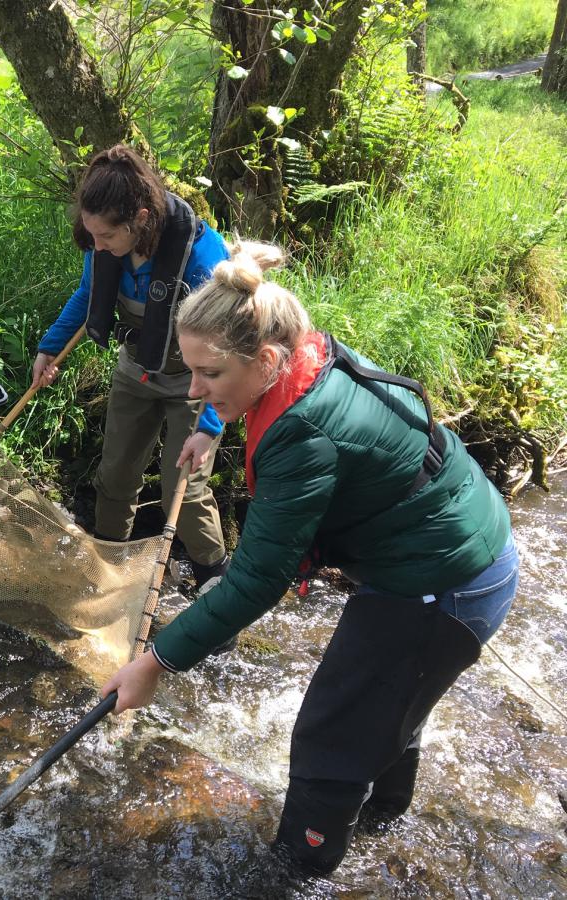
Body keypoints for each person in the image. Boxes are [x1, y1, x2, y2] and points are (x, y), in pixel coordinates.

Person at [101, 240, 518, 876]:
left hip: (446, 578)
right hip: (459, 546)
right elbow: (241, 394)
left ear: (265, 359)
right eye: (190, 371)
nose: (194, 388)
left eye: (208, 375)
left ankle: (299, 870)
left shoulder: (303, 434)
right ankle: (384, 825)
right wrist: (212, 423)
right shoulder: (300, 350)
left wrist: (156, 661)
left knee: (330, 733)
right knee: (383, 706)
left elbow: (258, 578)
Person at [32, 145, 231, 587]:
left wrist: (210, 425)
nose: (97, 246)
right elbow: (88, 295)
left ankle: (216, 587)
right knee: (115, 476)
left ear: (139, 219)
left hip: (196, 384)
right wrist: (49, 347)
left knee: (185, 490)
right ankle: (110, 578)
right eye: (92, 236)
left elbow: (232, 348)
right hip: (136, 371)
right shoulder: (102, 240)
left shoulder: (203, 257)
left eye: (106, 238)